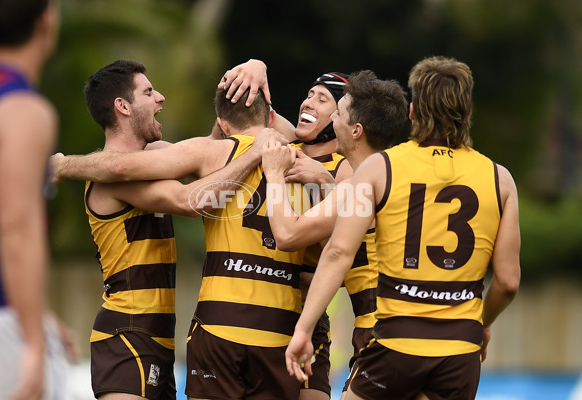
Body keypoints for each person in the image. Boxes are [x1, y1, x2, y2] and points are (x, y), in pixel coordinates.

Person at [285, 56, 521, 400]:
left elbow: (338, 252)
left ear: (412, 111)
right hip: (459, 353)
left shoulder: (381, 167)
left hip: (397, 343)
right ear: (467, 112)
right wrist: (482, 323)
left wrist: (303, 330)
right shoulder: (500, 179)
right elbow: (509, 282)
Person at [51, 82, 307, 399]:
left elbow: (216, 150)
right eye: (147, 92)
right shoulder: (107, 177)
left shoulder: (160, 156)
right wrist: (63, 164)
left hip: (159, 336)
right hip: (126, 330)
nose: (160, 97)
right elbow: (189, 201)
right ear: (122, 106)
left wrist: (246, 79)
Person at [261, 70, 408, 396]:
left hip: (379, 330)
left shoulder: (358, 187)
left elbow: (287, 235)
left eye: (337, 111)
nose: (333, 117)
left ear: (355, 130)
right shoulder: (404, 175)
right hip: (431, 332)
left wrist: (273, 175)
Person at [221, 60, 354, 400]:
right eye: (309, 94)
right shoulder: (281, 144)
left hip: (308, 320)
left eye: (323, 99)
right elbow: (234, 111)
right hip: (260, 313)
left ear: (341, 120)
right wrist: (257, 65)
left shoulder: (346, 171)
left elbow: (344, 236)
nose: (308, 102)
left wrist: (323, 180)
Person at [0, 1, 75, 399]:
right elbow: (16, 230)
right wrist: (34, 342)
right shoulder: (22, 111)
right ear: (46, 22)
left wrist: (38, 314)